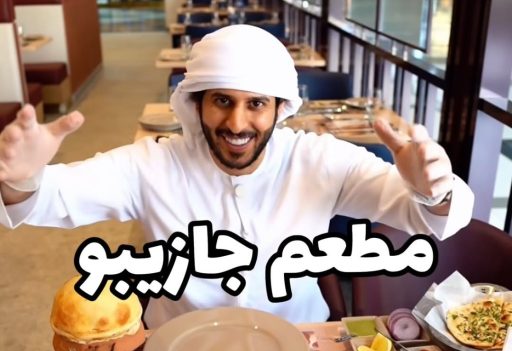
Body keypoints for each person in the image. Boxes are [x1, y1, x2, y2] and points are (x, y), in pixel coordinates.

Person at [0, 25, 474, 328]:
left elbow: (424, 217)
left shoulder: (320, 159)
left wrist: (434, 191)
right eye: (222, 101)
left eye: (256, 104)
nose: (237, 123)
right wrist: (21, 179)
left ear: (280, 109)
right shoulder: (151, 164)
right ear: (196, 104)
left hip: (301, 346)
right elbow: (50, 198)